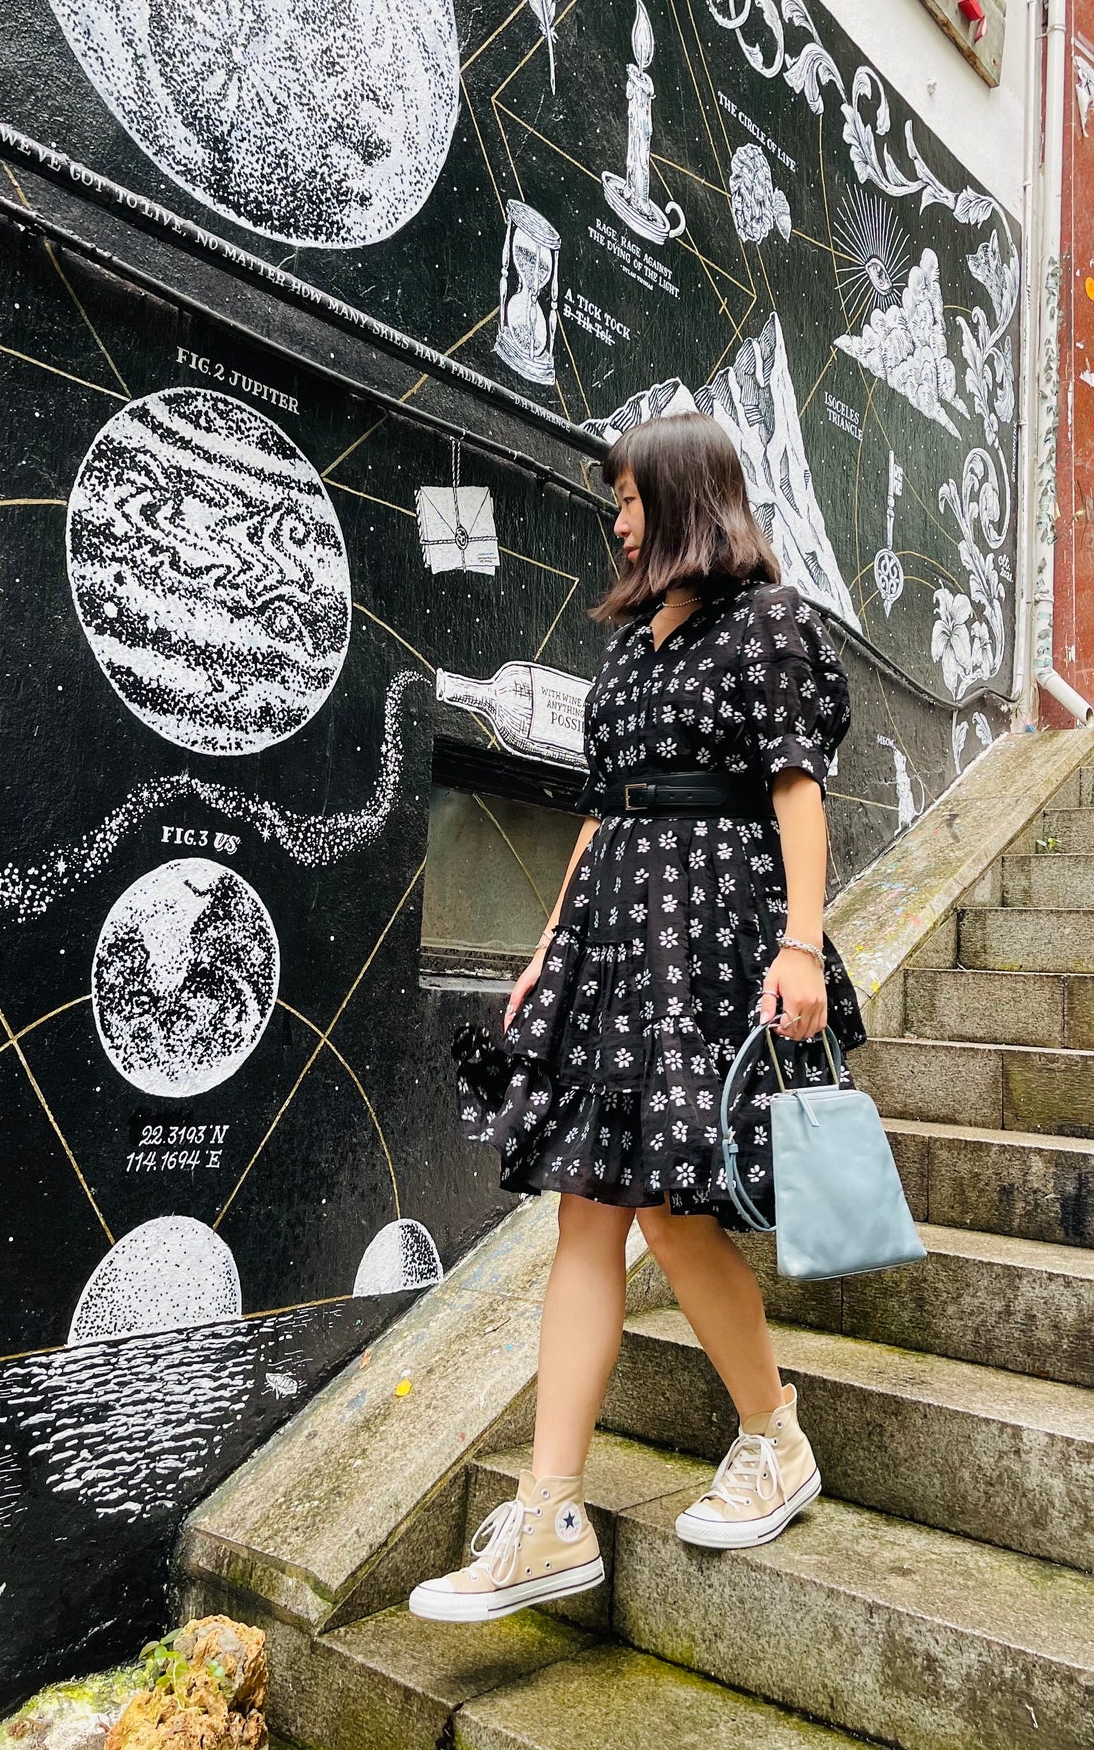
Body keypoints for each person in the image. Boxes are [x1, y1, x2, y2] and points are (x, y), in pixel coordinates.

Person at [410, 412, 866, 1625]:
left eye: (625, 497)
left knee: (668, 1214)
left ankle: (776, 1436)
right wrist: (548, 951)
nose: (614, 518)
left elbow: (796, 792)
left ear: (679, 497)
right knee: (587, 1210)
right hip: (617, 935)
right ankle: (553, 1510)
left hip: (714, 929)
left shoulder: (767, 624)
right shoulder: (627, 649)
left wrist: (802, 941)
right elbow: (603, 814)